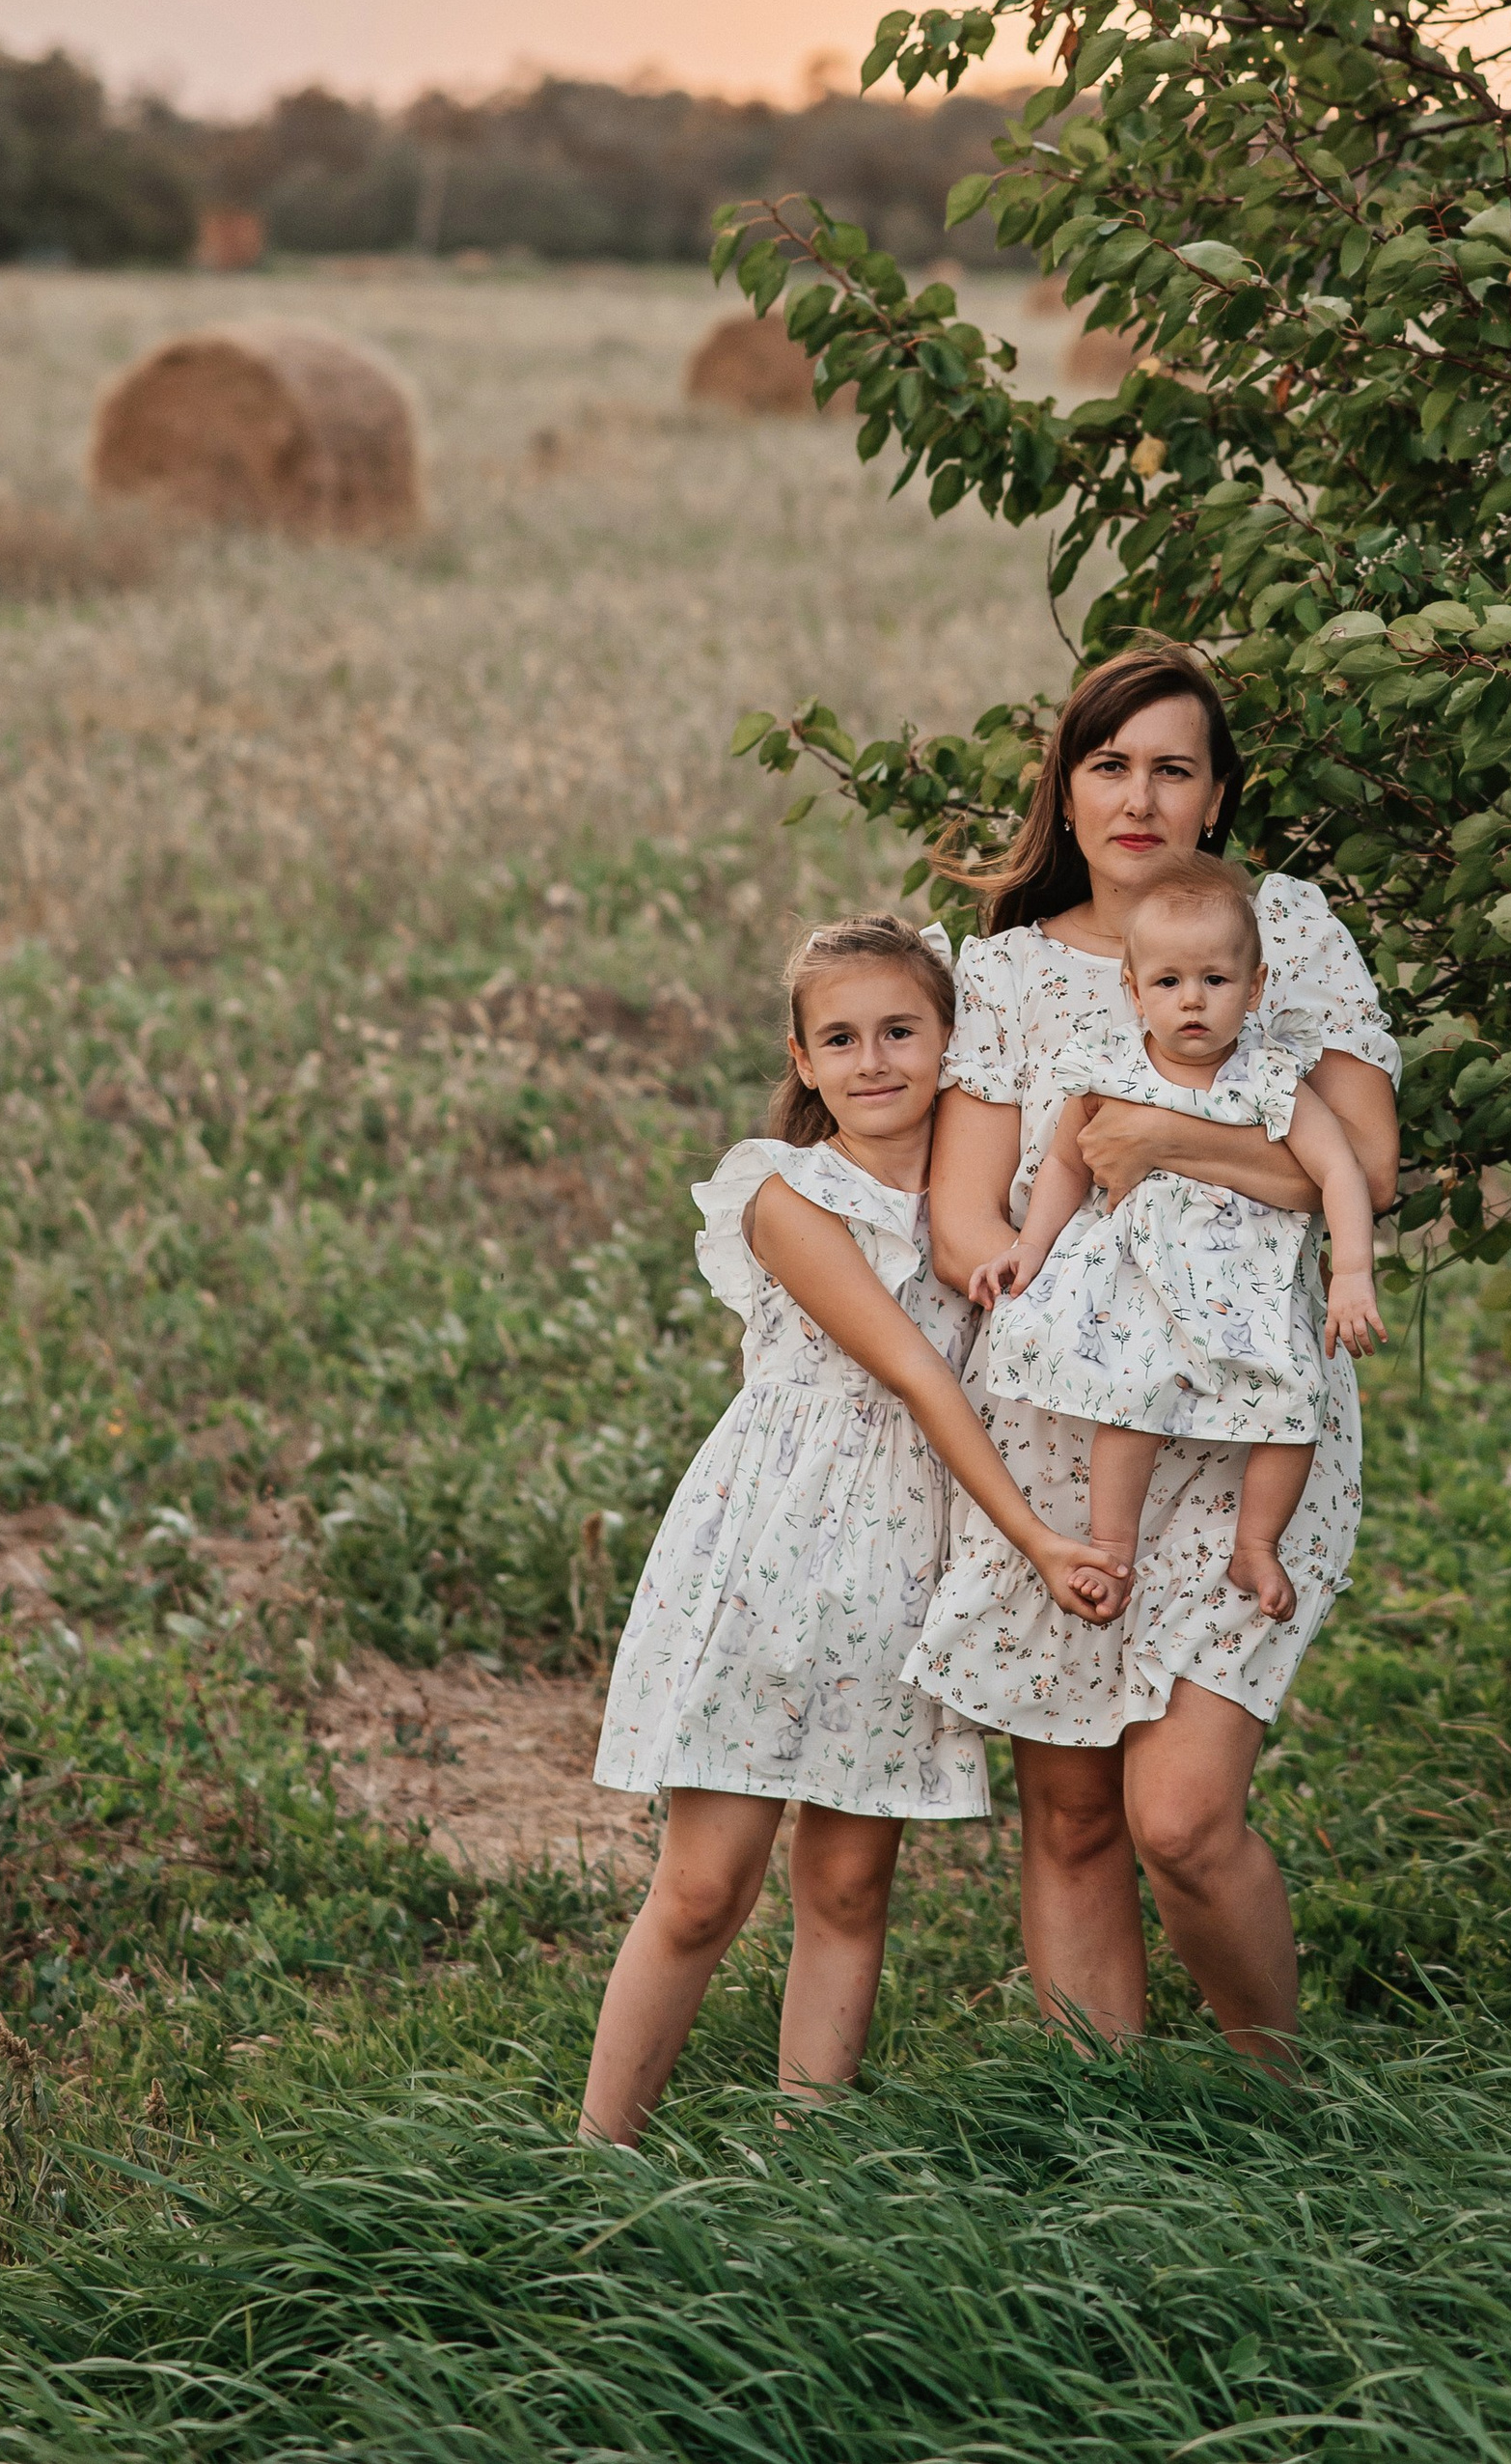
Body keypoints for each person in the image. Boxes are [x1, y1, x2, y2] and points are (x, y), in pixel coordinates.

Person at [903, 646, 1398, 2063]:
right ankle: (1105, 2127)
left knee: (1178, 1814)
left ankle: (1282, 2091)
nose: (1140, 795)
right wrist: (1030, 1245)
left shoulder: (1282, 928)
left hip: (1254, 1421)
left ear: (1218, 791)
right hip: (1069, 1418)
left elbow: (1364, 1164)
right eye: (1111, 764)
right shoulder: (1000, 967)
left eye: (1174, 766)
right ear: (1066, 784)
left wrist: (1165, 1139)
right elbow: (965, 1214)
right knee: (1068, 1810)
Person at [578, 912, 1126, 2143]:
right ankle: (598, 2153)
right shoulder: (784, 1194)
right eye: (842, 1038)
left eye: (900, 1030)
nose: (874, 1059)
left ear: (950, 1041)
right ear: (803, 1058)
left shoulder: (987, 1199)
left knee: (846, 1879)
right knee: (704, 1885)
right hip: (770, 1554)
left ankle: (802, 2161)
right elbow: (920, 1377)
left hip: (904, 1565)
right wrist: (1040, 1541)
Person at [973, 855, 1386, 1623]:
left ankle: (1256, 1544)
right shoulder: (1109, 1067)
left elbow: (1341, 1173)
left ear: (1254, 988)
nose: (1191, 1000)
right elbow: (1068, 1159)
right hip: (1143, 1284)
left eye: (1215, 981)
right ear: (1134, 991)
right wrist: (1031, 1247)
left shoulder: (1271, 1076)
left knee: (1295, 1406)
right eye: (1167, 982)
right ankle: (1111, 1548)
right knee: (1128, 1403)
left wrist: (1352, 1273)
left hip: (1250, 1285)